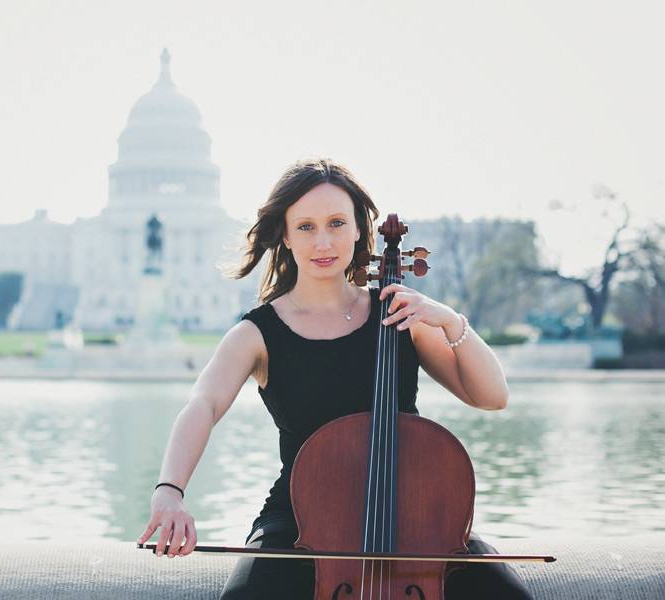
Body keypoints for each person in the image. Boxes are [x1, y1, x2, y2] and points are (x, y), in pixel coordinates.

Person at [137, 158, 533, 599]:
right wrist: (169, 492)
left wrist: (450, 322)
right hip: (302, 516)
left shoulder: (400, 314)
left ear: (360, 230)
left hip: (414, 514)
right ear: (285, 236)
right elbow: (203, 404)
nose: (322, 241)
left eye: (336, 223)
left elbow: (492, 397)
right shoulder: (256, 333)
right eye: (305, 226)